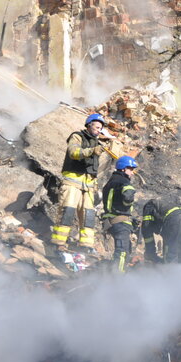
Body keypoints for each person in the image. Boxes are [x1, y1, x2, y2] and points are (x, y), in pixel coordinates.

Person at [51, 113, 110, 251]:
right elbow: (74, 152)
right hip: (72, 182)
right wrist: (91, 151)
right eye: (96, 127)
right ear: (88, 125)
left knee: (88, 215)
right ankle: (59, 243)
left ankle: (86, 246)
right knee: (67, 211)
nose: (99, 130)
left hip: (88, 186)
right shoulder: (77, 136)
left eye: (101, 128)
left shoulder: (97, 143)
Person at [101, 156, 138, 272]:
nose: (132, 172)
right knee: (122, 251)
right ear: (123, 168)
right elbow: (128, 197)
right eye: (130, 169)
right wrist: (128, 204)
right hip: (120, 223)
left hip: (110, 221)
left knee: (123, 249)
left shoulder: (111, 181)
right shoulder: (124, 182)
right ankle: (118, 277)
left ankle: (113, 272)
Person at [141, 199, 181, 264]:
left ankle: (170, 271)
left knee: (170, 254)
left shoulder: (149, 206)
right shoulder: (169, 206)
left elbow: (147, 230)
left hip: (176, 219)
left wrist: (150, 254)